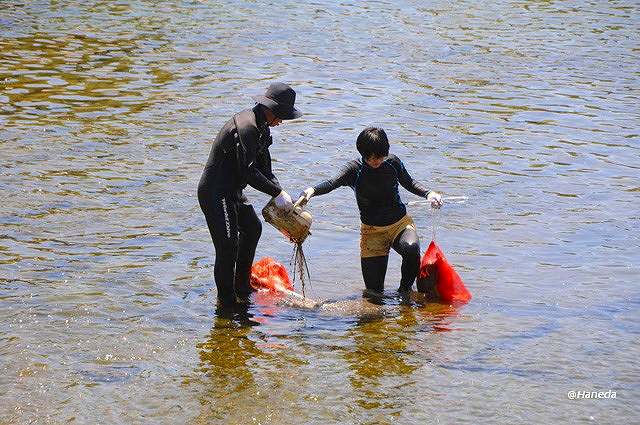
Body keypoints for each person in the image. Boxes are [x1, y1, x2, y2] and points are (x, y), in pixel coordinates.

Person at [296, 127, 442, 294]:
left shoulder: (393, 163)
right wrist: (311, 191)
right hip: (372, 232)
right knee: (374, 293)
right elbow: (331, 183)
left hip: (399, 225)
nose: (376, 161)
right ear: (362, 154)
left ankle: (405, 292)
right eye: (370, 158)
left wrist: (429, 194)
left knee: (411, 248)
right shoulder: (354, 170)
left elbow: (409, 182)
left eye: (380, 157)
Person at [198, 82, 302, 305]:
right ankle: (225, 303)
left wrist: (281, 192)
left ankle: (241, 287)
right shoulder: (247, 127)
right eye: (281, 116)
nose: (282, 121)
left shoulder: (262, 128)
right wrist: (275, 192)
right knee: (227, 247)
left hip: (233, 190)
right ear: (271, 110)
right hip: (216, 192)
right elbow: (249, 172)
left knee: (253, 228)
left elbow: (265, 170)